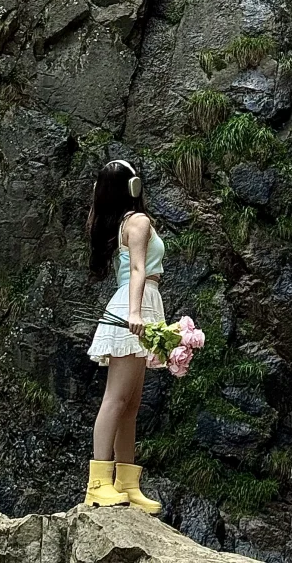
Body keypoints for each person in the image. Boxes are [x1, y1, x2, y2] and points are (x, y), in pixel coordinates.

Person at [83, 159, 166, 513]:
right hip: (136, 304)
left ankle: (127, 483)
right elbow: (136, 269)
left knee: (130, 405)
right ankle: (98, 483)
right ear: (133, 187)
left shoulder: (126, 222)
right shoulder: (138, 221)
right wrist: (134, 313)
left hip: (143, 303)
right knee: (116, 400)